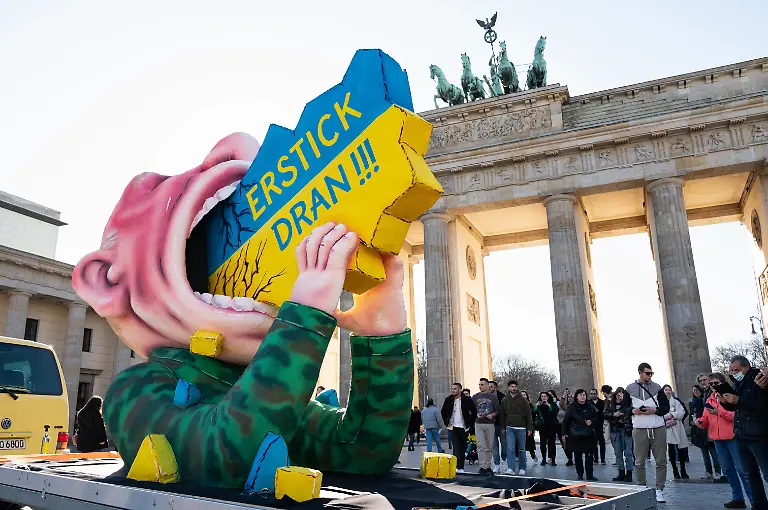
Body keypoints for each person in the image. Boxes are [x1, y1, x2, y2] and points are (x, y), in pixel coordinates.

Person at [696, 373, 753, 509]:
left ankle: (754, 499)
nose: (714, 386)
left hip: (732, 438)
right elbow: (705, 418)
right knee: (728, 470)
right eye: (711, 384)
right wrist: (700, 422)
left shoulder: (731, 396)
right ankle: (737, 498)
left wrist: (719, 412)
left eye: (716, 383)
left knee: (741, 470)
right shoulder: (709, 399)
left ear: (723, 382)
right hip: (717, 440)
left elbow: (735, 416)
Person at [721, 355, 768, 509]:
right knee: (750, 475)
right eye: (731, 370)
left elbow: (761, 405)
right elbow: (737, 407)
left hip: (758, 434)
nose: (734, 373)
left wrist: (738, 400)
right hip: (741, 434)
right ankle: (759, 505)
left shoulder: (759, 380)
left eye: (737, 370)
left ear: (746, 367)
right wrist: (726, 403)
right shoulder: (737, 383)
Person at [626, 362, 669, 504]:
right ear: (640, 372)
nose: (650, 376)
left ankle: (660, 490)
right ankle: (641, 488)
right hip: (639, 428)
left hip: (657, 427)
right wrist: (633, 411)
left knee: (661, 460)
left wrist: (654, 410)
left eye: (651, 373)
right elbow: (624, 408)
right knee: (639, 461)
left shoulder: (657, 387)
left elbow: (665, 408)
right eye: (647, 373)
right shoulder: (630, 388)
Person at [562, 389, 598, 482]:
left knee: (589, 455)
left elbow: (597, 418)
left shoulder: (590, 406)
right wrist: (564, 433)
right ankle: (580, 474)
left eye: (584, 395)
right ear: (576, 397)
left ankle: (590, 474)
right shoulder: (571, 407)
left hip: (588, 433)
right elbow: (566, 421)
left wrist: (592, 421)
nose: (582, 397)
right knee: (577, 455)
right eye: (580, 395)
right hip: (576, 434)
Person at [441, 382, 477, 474]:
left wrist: (470, 424)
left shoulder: (467, 400)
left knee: (463, 447)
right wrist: (446, 422)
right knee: (456, 447)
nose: (453, 390)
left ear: (460, 390)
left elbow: (474, 412)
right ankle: (456, 466)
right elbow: (443, 411)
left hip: (464, 427)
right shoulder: (448, 399)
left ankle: (461, 466)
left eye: (455, 389)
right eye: (452, 389)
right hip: (453, 427)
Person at [499, 380, 533, 475]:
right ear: (509, 387)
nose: (514, 388)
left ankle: (522, 467)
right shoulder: (504, 400)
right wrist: (502, 427)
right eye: (512, 386)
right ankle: (511, 468)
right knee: (510, 448)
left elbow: (528, 415)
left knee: (522, 448)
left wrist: (530, 428)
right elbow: (502, 415)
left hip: (521, 428)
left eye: (515, 386)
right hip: (509, 427)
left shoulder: (523, 400)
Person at [691, 384, 724, 480]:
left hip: (708, 429)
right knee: (704, 453)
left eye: (697, 390)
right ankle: (708, 472)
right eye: (693, 390)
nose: (695, 392)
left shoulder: (704, 401)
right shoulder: (693, 402)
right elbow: (691, 414)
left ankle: (718, 472)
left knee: (714, 452)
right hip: (699, 429)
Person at [472, 378, 501, 474]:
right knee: (480, 445)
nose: (480, 386)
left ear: (487, 386)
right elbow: (471, 410)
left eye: (482, 384)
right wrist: (475, 414)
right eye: (479, 384)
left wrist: (492, 415)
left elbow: (498, 410)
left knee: (489, 446)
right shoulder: (475, 397)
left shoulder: (493, 397)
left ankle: (488, 466)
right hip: (478, 423)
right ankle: (482, 466)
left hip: (490, 424)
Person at [661, 384, 690, 480]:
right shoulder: (660, 402)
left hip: (678, 426)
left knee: (681, 449)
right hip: (668, 427)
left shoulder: (676, 401)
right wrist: (670, 415)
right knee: (671, 449)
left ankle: (683, 469)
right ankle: (675, 470)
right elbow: (660, 415)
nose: (668, 391)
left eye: (669, 389)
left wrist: (671, 414)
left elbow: (682, 413)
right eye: (666, 390)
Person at [604, 387, 633, 482]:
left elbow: (632, 413)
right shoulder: (610, 404)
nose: (620, 396)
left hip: (626, 430)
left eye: (622, 394)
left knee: (628, 452)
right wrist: (614, 415)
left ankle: (629, 473)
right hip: (615, 430)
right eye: (618, 394)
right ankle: (621, 472)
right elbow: (604, 414)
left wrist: (624, 412)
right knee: (618, 452)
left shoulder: (628, 404)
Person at [535, 391, 559, 466]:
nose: (543, 398)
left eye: (545, 396)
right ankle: (544, 459)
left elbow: (555, 411)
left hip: (551, 426)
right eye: (542, 396)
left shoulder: (552, 404)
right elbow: (533, 412)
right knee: (543, 443)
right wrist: (536, 406)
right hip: (542, 426)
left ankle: (553, 459)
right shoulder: (539, 404)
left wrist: (548, 405)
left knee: (552, 443)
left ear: (548, 397)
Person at [488, 380, 507, 472]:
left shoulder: (502, 397)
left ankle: (504, 458)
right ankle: (497, 464)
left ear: (495, 387)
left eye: (491, 386)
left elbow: (504, 412)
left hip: (501, 423)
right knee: (494, 445)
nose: (489, 388)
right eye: (489, 386)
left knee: (504, 443)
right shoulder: (486, 397)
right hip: (490, 424)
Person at [589, 388, 607, 464]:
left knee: (602, 442)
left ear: (596, 394)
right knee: (593, 443)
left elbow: (602, 412)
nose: (593, 395)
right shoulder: (588, 403)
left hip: (600, 424)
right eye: (591, 394)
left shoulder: (601, 402)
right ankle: (595, 458)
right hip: (592, 425)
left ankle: (603, 459)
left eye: (594, 393)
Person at [558, 388, 575, 466]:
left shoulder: (577, 406)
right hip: (567, 427)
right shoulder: (567, 407)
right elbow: (561, 404)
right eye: (569, 398)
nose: (570, 399)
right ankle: (570, 458)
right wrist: (564, 395)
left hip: (576, 427)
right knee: (566, 444)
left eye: (572, 398)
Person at [520, 391, 538, 463]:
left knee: (529, 441)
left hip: (528, 426)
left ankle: (532, 454)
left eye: (524, 395)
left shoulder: (530, 405)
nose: (523, 396)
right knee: (519, 443)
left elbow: (533, 415)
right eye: (521, 395)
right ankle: (520, 457)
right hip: (520, 425)